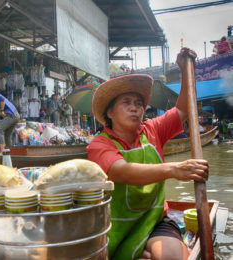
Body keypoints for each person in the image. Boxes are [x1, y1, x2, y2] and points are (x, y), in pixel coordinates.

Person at [87, 48, 208, 260]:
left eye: (139, 104)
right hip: (116, 228)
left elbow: (183, 109)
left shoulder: (152, 129)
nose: (135, 108)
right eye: (126, 103)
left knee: (170, 257)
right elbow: (122, 171)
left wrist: (185, 71)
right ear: (110, 112)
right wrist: (174, 169)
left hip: (154, 221)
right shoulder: (99, 145)